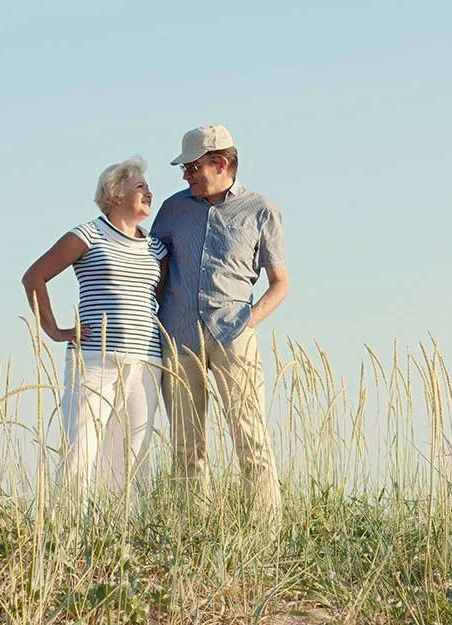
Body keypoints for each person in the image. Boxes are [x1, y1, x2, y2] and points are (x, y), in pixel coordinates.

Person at [151, 125, 289, 529]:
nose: (185, 175)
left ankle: (265, 534)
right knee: (185, 444)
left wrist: (248, 323)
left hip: (233, 337)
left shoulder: (261, 210)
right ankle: (194, 532)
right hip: (177, 337)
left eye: (192, 167)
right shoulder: (173, 210)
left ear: (221, 163)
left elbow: (280, 283)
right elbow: (153, 270)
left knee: (251, 437)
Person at [21, 156, 168, 497]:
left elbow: (155, 300)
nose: (149, 192)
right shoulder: (88, 234)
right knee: (80, 448)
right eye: (140, 186)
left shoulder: (155, 247)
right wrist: (55, 330)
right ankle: (69, 536)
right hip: (94, 359)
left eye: (148, 186)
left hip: (145, 361)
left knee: (133, 457)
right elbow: (34, 277)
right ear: (116, 195)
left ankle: (127, 538)